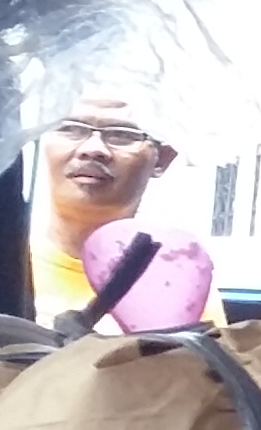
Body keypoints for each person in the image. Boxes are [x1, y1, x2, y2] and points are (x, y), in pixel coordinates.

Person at [28, 97, 221, 332]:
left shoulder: (182, 281)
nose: (93, 149)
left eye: (121, 135)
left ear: (163, 158)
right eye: (71, 129)